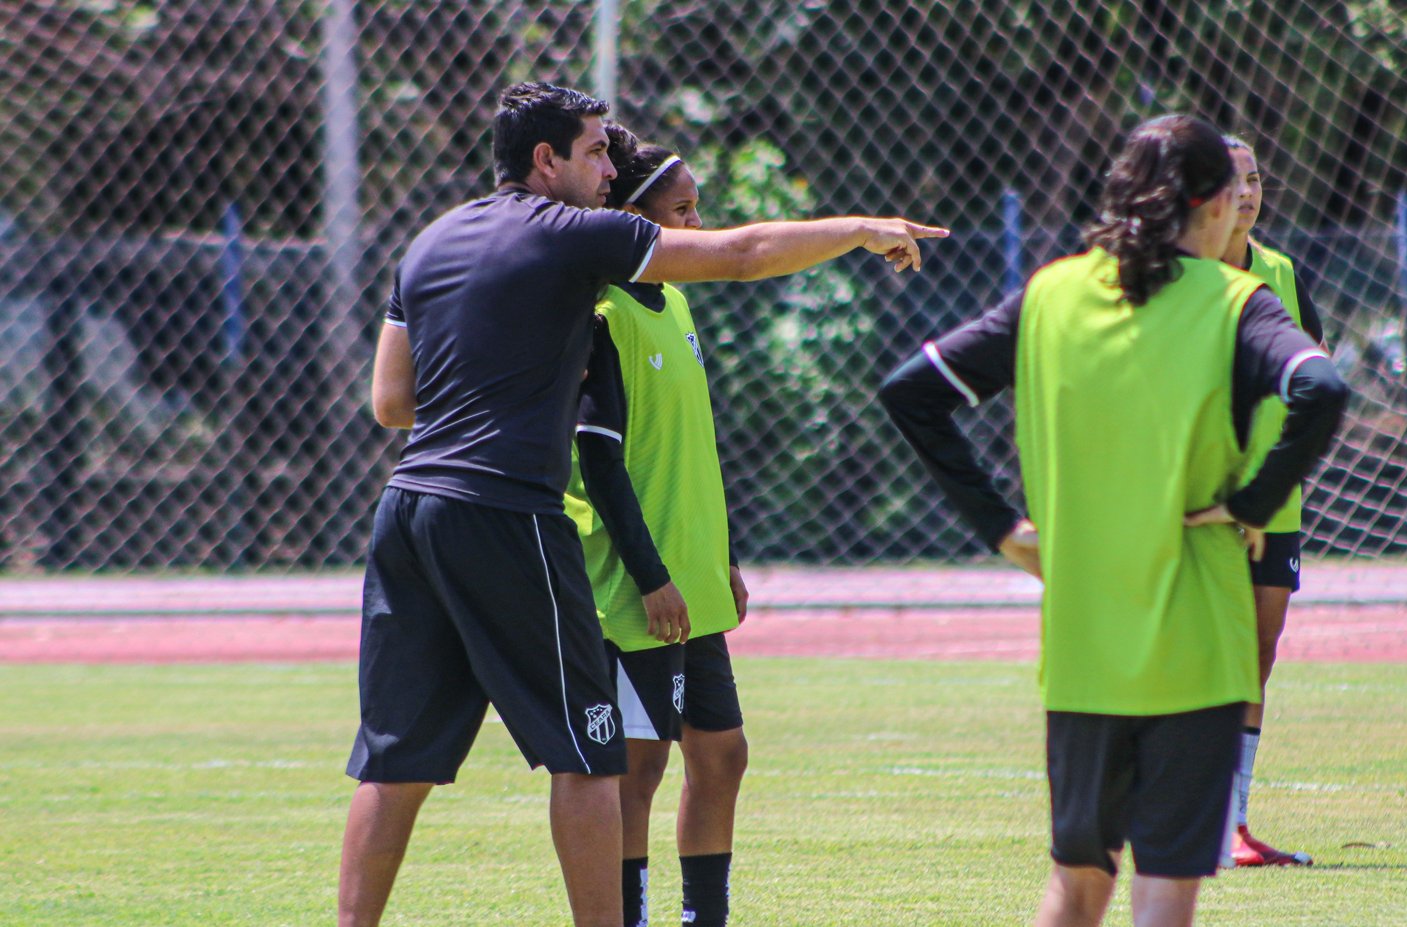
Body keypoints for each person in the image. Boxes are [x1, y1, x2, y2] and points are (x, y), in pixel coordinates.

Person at [344, 81, 947, 927]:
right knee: (592, 759)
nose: (606, 165)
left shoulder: (431, 241)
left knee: (396, 765)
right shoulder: (571, 235)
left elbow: (392, 401)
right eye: (593, 150)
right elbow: (740, 254)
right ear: (545, 160)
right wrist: (858, 230)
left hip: (410, 507)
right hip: (507, 513)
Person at [878, 114, 1347, 927]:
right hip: (1201, 645)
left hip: (1085, 647)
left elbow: (910, 393)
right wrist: (1251, 504)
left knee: (1077, 881)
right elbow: (1323, 389)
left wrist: (1002, 529)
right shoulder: (1236, 300)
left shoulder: (1051, 292)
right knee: (1163, 893)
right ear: (1210, 205)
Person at [563, 125, 747, 927]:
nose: (699, 228)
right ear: (636, 222)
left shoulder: (672, 301)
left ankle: (705, 917)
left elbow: (684, 452)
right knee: (640, 768)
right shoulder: (603, 315)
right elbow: (600, 466)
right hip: (640, 587)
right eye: (682, 211)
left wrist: (720, 558)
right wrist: (653, 575)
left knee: (722, 755)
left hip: (692, 577)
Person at [1219, 135, 1326, 868]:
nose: (1248, 192)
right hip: (1199, 502)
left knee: (1256, 654)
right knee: (1195, 657)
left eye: (1255, 178)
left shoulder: (1282, 272)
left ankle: (1233, 820)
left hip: (1273, 503)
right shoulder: (1174, 276)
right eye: (1232, 180)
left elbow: (1315, 375)